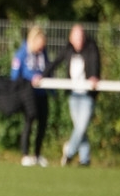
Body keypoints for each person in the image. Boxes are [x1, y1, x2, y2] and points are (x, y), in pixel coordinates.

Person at [40, 24, 101, 166]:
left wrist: (94, 77)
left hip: (87, 95)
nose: (79, 40)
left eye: (81, 37)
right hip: (74, 95)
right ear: (71, 38)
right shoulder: (68, 49)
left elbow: (95, 64)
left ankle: (69, 152)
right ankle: (85, 159)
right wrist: (42, 76)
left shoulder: (91, 47)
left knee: (81, 127)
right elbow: (55, 63)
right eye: (76, 37)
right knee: (79, 128)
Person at [11, 25, 50, 167]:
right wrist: (30, 79)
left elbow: (47, 68)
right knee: (29, 120)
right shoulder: (22, 53)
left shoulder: (43, 53)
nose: (41, 48)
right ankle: (25, 154)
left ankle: (38, 155)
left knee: (43, 123)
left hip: (42, 92)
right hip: (28, 93)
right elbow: (15, 74)